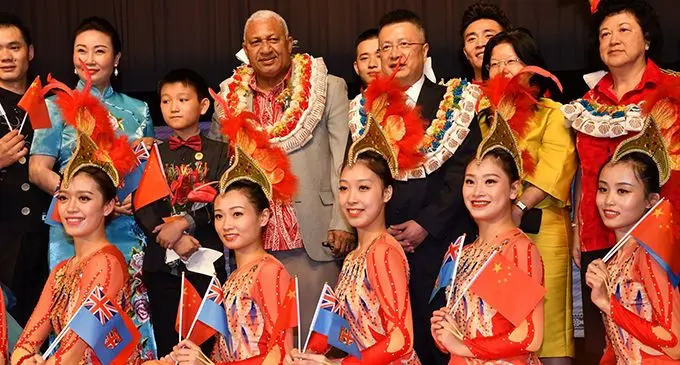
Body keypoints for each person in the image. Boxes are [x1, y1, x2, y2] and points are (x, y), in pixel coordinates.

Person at [209, 9, 353, 341]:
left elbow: (341, 159)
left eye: (273, 39)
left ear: (290, 43)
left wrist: (341, 221)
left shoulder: (327, 87)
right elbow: (220, 165)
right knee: (260, 340)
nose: (266, 49)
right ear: (245, 48)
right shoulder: (228, 97)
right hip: (251, 242)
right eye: (256, 42)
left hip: (313, 237)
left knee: (315, 340)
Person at [349, 9, 482, 364]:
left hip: (441, 240)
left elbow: (462, 172)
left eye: (404, 44)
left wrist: (426, 224)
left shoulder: (455, 102)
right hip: (383, 243)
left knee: (438, 335)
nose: (395, 54)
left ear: (425, 50)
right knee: (388, 335)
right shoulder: (366, 110)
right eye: (386, 47)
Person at [28, 16, 157, 359]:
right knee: (72, 313)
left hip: (123, 228)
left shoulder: (139, 110)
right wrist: (77, 198)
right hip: (71, 228)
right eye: (81, 51)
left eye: (99, 51)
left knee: (121, 318)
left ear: (116, 59)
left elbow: (149, 170)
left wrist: (130, 197)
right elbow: (37, 169)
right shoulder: (50, 105)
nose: (89, 59)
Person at [561, 0, 680, 360]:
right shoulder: (586, 103)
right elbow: (584, 171)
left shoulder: (674, 89)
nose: (612, 39)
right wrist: (577, 227)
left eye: (624, 30)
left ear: (647, 40)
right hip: (603, 238)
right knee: (609, 340)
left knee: (662, 337)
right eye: (604, 34)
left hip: (664, 242)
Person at [285, 69, 423, 365]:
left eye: (364, 188)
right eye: (344, 188)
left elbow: (400, 339)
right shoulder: (354, 256)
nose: (351, 198)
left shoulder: (385, 252)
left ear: (386, 193)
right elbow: (351, 335)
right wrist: (314, 354)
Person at [149, 90, 296, 365]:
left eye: (237, 214)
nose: (227, 225)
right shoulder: (234, 278)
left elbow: (279, 355)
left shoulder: (269, 271)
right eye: (218, 216)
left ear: (264, 217)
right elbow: (224, 353)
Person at [11, 76, 144, 364]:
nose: (71, 207)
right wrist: (26, 360)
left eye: (84, 199)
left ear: (108, 205)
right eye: (64, 197)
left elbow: (75, 350)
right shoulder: (61, 270)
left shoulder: (106, 263)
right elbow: (25, 342)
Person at [479, 29, 576, 364]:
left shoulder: (554, 114)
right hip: (495, 237)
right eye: (494, 63)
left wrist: (518, 207)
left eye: (512, 61)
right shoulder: (484, 118)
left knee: (546, 329)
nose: (503, 70)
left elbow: (555, 168)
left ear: (531, 65)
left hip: (541, 230)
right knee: (506, 324)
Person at [431, 113, 544, 364]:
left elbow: (530, 336)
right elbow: (466, 328)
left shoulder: (515, 248)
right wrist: (443, 331)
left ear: (514, 189)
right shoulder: (463, 251)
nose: (477, 192)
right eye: (470, 182)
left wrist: (463, 345)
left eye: (490, 182)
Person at [134, 69, 229, 357]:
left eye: (182, 99)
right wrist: (174, 238)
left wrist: (186, 223)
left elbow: (225, 201)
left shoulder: (221, 152)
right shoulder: (151, 153)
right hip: (162, 265)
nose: (173, 107)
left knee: (205, 344)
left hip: (205, 260)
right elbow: (142, 204)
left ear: (202, 106)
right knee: (168, 344)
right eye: (165, 101)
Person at [585, 121, 680, 362]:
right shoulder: (617, 257)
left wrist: (608, 305)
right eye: (603, 189)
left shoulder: (649, 254)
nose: (609, 200)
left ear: (651, 200)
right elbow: (618, 343)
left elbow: (675, 343)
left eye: (623, 191)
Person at [0, 12, 50, 327]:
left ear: (29, 53)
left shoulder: (53, 102)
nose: (5, 56)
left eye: (14, 47)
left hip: (53, 239)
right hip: (3, 241)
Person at [460, 2, 511, 83]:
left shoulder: (527, 93)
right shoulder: (450, 93)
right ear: (465, 53)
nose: (480, 44)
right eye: (472, 39)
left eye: (489, 36)